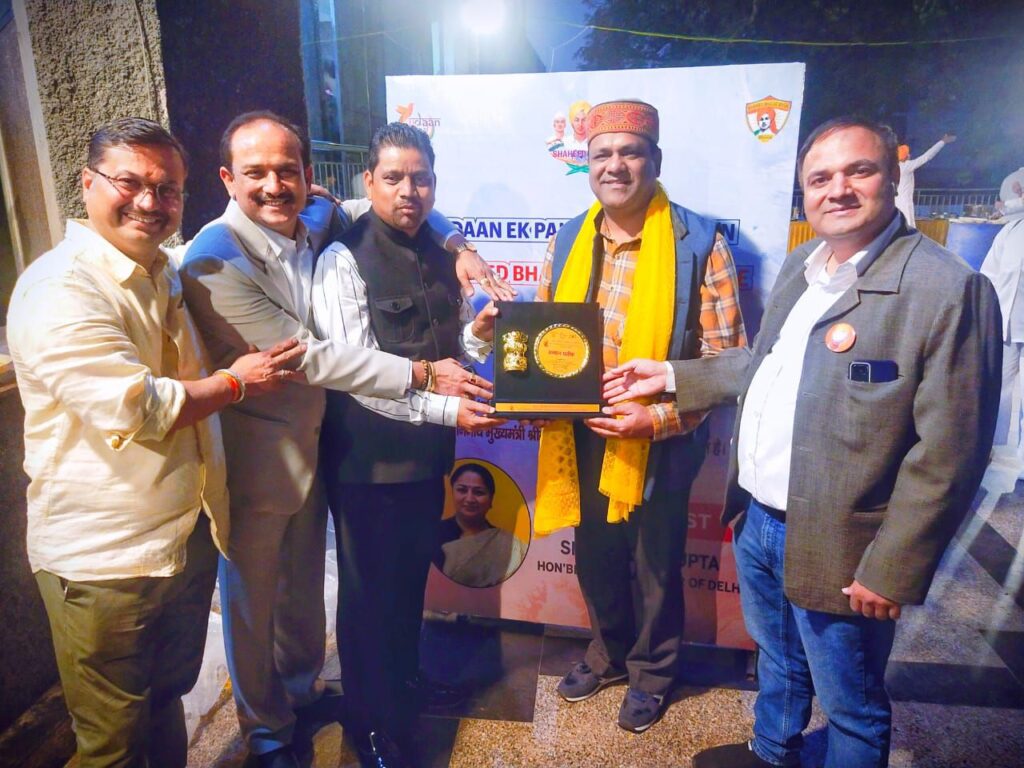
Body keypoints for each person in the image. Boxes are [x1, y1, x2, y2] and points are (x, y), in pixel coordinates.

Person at [604, 116, 1001, 767]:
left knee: (852, 704)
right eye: (820, 178)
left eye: (858, 171)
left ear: (892, 179)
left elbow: (950, 455)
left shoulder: (947, 290)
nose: (837, 189)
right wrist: (671, 375)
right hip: (760, 519)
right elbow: (759, 364)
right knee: (779, 664)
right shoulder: (804, 266)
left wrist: (892, 567)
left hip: (847, 542)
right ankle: (772, 752)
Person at [179, 111, 511, 768]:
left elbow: (412, 204)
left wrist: (461, 246)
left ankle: (313, 693)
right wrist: (431, 383)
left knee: (313, 593)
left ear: (308, 175)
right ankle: (275, 730)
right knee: (259, 601)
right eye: (255, 172)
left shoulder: (321, 216)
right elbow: (316, 357)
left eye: (286, 171)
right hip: (270, 452)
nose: (274, 185)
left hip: (331, 444)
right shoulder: (214, 259)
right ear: (226, 178)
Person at [6, 117, 306, 768]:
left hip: (180, 540)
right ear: (87, 183)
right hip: (105, 560)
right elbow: (138, 407)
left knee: (165, 700)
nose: (149, 201)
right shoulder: (62, 288)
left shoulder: (163, 269)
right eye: (130, 183)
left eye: (167, 188)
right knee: (112, 740)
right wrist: (236, 382)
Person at [535, 99, 746, 733]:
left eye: (630, 153)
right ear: (588, 165)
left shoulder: (699, 243)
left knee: (656, 562)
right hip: (582, 430)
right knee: (594, 554)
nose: (615, 166)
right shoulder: (568, 238)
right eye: (602, 154)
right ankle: (607, 652)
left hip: (662, 434)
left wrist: (654, 422)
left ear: (655, 161)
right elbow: (545, 337)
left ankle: (652, 672)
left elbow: (728, 362)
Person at [312, 121, 503, 767]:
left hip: (427, 457)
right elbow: (355, 373)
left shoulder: (440, 250)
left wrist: (478, 334)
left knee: (409, 587)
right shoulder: (343, 257)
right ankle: (366, 722)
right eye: (393, 177)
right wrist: (450, 408)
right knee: (369, 601)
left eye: (420, 178)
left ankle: (405, 683)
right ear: (368, 182)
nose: (408, 191)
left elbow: (454, 352)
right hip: (367, 466)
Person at [981, 203, 1024, 473]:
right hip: (1006, 326)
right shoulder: (1010, 231)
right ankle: (989, 449)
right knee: (997, 389)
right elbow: (989, 277)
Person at [435, 463, 527, 587]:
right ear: (452, 493)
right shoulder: (432, 535)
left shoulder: (506, 543)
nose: (469, 499)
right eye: (462, 490)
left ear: (491, 499)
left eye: (479, 492)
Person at [895, 133, 955, 226]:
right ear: (906, 156)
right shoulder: (907, 166)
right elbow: (927, 156)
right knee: (908, 227)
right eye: (908, 154)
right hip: (904, 204)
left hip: (895, 203)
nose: (910, 155)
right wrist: (942, 142)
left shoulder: (893, 167)